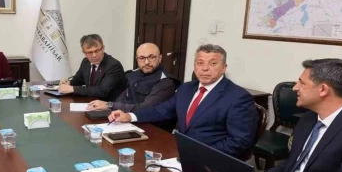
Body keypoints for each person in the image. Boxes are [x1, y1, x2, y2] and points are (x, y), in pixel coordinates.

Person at [108, 44, 258, 158]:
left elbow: (239, 141)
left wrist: (200, 153)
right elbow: (161, 111)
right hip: (178, 152)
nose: (205, 68)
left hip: (210, 158)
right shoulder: (187, 88)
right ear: (194, 66)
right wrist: (130, 116)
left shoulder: (238, 97)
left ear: (224, 68)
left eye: (213, 63)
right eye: (200, 63)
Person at [86, 43, 177, 113]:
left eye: (152, 57)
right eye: (142, 58)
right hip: (128, 118)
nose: (146, 62)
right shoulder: (133, 74)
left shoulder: (166, 81)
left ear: (160, 58)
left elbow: (146, 108)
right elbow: (122, 98)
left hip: (151, 125)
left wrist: (110, 105)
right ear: (137, 59)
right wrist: (112, 108)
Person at [58, 34, 126, 101]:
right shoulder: (86, 62)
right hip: (91, 101)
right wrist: (69, 83)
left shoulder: (113, 66)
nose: (94, 55)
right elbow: (79, 79)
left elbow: (102, 91)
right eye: (90, 52)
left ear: (103, 48)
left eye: (97, 51)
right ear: (84, 52)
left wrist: (72, 89)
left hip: (110, 104)